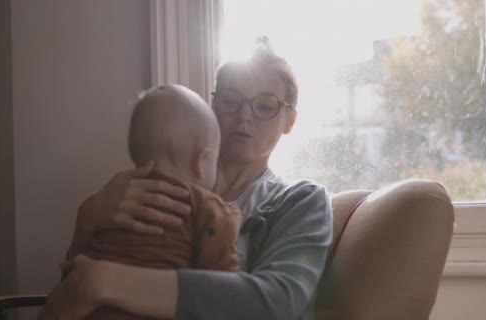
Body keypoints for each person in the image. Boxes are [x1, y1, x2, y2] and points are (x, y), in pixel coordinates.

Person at [39, 40, 333, 320]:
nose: (245, 115)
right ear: (213, 105)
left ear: (290, 121)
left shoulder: (300, 200)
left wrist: (108, 282)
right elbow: (73, 291)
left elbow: (278, 303)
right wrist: (87, 220)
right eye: (231, 100)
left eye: (266, 106)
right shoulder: (143, 188)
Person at [73, 84, 241, 320]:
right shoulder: (207, 207)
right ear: (201, 162)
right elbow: (226, 288)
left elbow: (74, 270)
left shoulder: (114, 201)